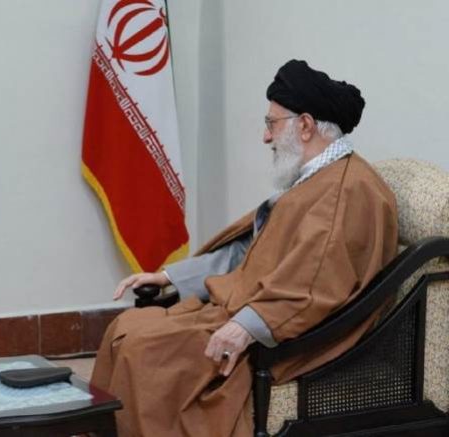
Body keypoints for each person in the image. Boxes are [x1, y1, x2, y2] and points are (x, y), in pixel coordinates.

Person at [91, 59, 399, 436]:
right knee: (126, 329)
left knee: (146, 353)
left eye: (272, 123)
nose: (265, 137)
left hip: (286, 335)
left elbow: (315, 287)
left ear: (305, 125)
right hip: (248, 307)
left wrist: (244, 327)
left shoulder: (348, 190)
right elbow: (251, 251)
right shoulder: (318, 177)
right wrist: (169, 276)